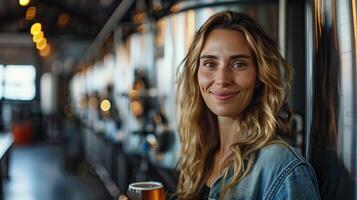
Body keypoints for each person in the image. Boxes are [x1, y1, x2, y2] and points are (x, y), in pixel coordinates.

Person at [120, 10, 320, 200]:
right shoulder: (201, 154)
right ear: (196, 73)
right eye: (210, 64)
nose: (222, 79)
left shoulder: (282, 167)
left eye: (238, 64)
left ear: (260, 75)